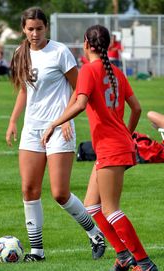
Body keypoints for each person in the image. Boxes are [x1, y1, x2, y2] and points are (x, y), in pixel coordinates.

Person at [42, 25, 158, 271]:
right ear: (107, 45)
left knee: (110, 209)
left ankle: (145, 263)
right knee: (92, 206)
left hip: (111, 148)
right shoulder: (116, 71)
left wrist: (55, 122)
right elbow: (135, 108)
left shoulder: (88, 70)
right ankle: (124, 256)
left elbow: (81, 103)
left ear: (86, 43)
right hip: (117, 145)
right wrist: (127, 133)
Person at [5, 7, 106, 263]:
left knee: (60, 192)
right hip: (32, 129)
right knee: (29, 189)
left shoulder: (59, 51)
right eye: (30, 29)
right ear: (23, 30)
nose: (35, 33)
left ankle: (95, 233)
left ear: (46, 27)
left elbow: (78, 87)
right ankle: (37, 252)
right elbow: (24, 91)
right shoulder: (20, 53)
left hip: (60, 128)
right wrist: (13, 121)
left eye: (39, 28)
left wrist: (65, 118)